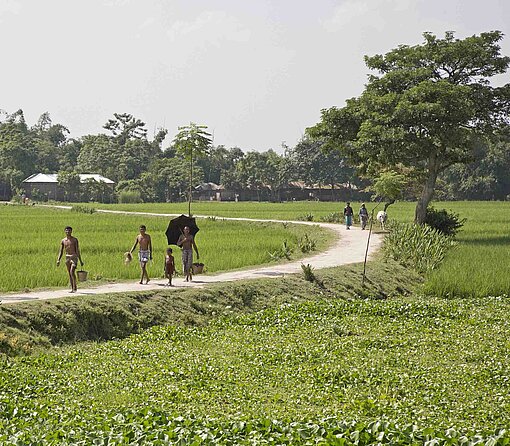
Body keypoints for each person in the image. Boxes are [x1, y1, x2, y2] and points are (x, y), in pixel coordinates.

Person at [56, 226, 84, 293]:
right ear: (65, 231)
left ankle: (75, 287)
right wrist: (58, 260)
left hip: (74, 257)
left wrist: (80, 260)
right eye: (66, 230)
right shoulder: (63, 240)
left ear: (71, 231)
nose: (68, 232)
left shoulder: (75, 240)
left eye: (69, 230)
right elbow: (61, 251)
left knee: (72, 271)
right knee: (69, 273)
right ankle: (72, 288)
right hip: (67, 258)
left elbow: (77, 250)